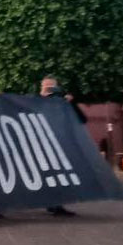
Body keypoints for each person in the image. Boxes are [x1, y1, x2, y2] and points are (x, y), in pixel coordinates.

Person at [40, 75, 82, 217]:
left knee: (60, 176)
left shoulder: (63, 103)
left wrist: (71, 103)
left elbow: (81, 119)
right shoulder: (35, 103)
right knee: (49, 176)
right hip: (44, 146)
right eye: (46, 87)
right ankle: (52, 204)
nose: (49, 90)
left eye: (52, 87)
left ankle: (56, 204)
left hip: (62, 145)